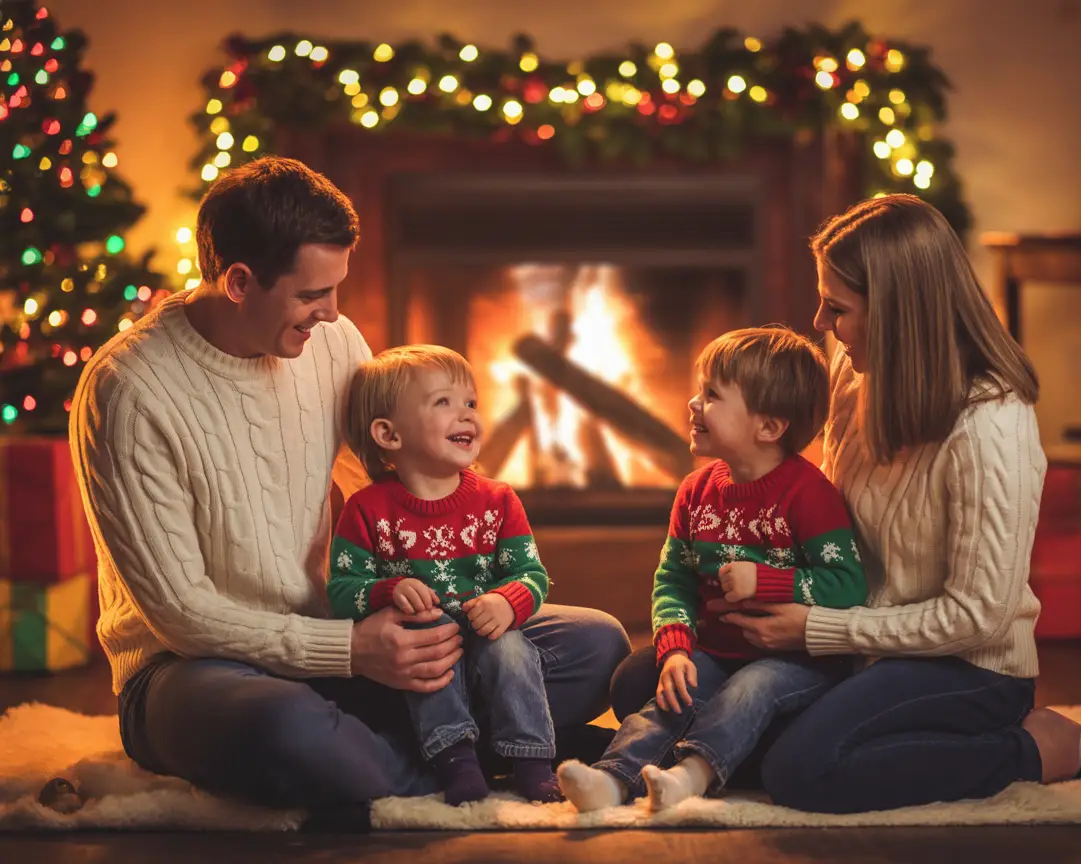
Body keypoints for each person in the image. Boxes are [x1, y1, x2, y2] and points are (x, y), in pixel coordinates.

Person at [68, 156, 629, 821]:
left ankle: (419, 753)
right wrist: (351, 650)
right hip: (197, 670)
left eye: (337, 288)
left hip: (339, 637)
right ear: (240, 281)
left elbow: (395, 480)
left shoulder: (332, 343)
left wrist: (451, 602)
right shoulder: (129, 391)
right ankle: (469, 754)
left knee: (598, 645)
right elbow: (182, 613)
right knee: (286, 730)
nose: (331, 313)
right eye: (312, 295)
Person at [610, 194, 1081, 814]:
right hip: (853, 639)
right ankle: (748, 741)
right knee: (641, 683)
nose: (818, 323)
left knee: (803, 771)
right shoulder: (852, 369)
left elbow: (979, 617)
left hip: (964, 666)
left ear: (897, 314)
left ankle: (1038, 749)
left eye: (836, 307)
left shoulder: (991, 426)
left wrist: (817, 627)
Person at [558, 327, 866, 812]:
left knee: (752, 688)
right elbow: (673, 581)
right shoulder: (696, 491)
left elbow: (848, 585)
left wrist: (765, 581)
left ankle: (691, 776)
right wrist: (676, 648)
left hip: (799, 661)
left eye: (713, 395)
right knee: (670, 695)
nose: (694, 403)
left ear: (768, 427)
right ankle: (612, 780)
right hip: (716, 649)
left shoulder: (810, 495)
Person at [327, 344, 561, 805]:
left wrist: (506, 601)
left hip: (485, 637)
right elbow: (340, 592)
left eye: (470, 403)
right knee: (426, 637)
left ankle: (532, 758)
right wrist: (387, 590)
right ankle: (455, 759)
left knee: (513, 647)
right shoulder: (367, 510)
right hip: (426, 654)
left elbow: (532, 574)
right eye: (444, 403)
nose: (466, 415)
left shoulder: (498, 501)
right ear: (389, 435)